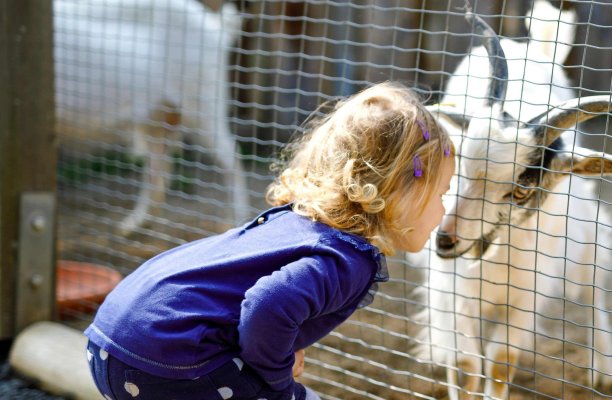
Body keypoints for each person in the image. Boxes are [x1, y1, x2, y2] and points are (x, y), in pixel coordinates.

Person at [83, 82, 456, 400]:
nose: (444, 211)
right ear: (402, 191)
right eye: (441, 194)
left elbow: (259, 297)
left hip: (115, 335)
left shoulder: (296, 221)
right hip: (171, 361)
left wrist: (285, 346)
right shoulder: (349, 260)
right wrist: (277, 378)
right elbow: (268, 306)